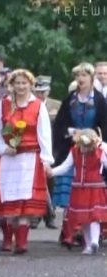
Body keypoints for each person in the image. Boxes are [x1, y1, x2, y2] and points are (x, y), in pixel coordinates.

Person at [0, 69, 54, 254]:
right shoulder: (3, 105)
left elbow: (44, 134)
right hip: (8, 158)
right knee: (8, 200)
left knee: (24, 202)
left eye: (25, 83)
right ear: (12, 85)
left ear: (30, 85)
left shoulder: (38, 106)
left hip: (30, 159)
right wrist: (4, 148)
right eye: (18, 83)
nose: (21, 86)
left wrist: (46, 159)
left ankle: (22, 242)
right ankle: (8, 239)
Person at [52, 62, 107, 247]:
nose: (80, 79)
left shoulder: (99, 100)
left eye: (84, 76)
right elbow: (59, 124)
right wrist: (71, 133)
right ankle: (69, 232)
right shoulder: (71, 100)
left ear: (92, 78)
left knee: (92, 195)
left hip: (94, 151)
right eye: (77, 76)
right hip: (74, 149)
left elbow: (105, 125)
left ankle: (93, 234)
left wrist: (98, 140)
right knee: (71, 193)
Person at [49, 128, 107, 254]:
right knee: (83, 218)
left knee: (95, 217)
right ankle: (88, 245)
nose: (85, 149)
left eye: (88, 146)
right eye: (83, 146)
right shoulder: (74, 151)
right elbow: (65, 167)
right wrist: (52, 172)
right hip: (79, 189)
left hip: (95, 187)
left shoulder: (100, 152)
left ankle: (94, 241)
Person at [31, 75, 60, 229]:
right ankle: (37, 215)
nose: (40, 95)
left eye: (43, 91)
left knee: (50, 183)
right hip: (34, 147)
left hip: (53, 148)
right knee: (37, 182)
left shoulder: (57, 105)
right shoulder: (30, 104)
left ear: (48, 91)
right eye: (38, 91)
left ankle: (48, 214)